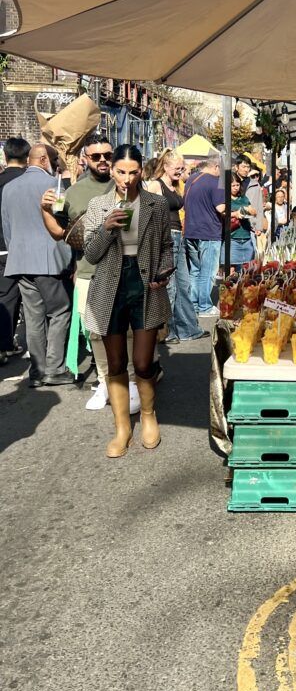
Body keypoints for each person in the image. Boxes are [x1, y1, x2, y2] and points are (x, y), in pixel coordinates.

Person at [40, 133, 142, 413]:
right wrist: (44, 210)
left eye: (107, 155)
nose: (102, 161)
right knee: (95, 331)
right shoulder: (72, 192)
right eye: (95, 156)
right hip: (89, 270)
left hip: (126, 268)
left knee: (129, 330)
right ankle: (106, 382)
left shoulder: (128, 182)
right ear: (85, 158)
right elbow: (60, 234)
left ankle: (131, 382)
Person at [83, 145, 173, 458]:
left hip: (146, 284)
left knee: (144, 362)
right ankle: (122, 427)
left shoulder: (157, 204)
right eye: (121, 171)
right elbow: (91, 254)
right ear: (113, 171)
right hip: (110, 286)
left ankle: (148, 415)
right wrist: (107, 228)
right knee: (117, 362)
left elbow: (166, 246)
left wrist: (165, 270)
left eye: (133, 172)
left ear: (141, 171)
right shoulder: (98, 204)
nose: (127, 178)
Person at [2, 143, 74, 387]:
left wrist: (18, 254)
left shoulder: (9, 188)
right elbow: (61, 224)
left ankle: (37, 370)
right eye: (54, 160)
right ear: (43, 160)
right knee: (60, 311)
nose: (55, 164)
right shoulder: (53, 185)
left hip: (20, 260)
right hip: (48, 260)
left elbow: (7, 228)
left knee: (33, 318)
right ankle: (54, 368)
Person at [145, 149, 207, 345]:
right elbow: (145, 211)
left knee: (183, 284)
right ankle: (167, 331)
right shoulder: (156, 185)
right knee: (170, 286)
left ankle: (188, 328)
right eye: (177, 168)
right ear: (165, 166)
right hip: (165, 237)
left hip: (177, 236)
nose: (181, 172)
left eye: (182, 168)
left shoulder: (175, 186)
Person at [183, 150, 225, 316]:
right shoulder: (216, 181)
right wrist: (238, 211)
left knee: (195, 270)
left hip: (190, 231)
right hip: (209, 232)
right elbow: (221, 208)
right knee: (208, 271)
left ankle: (193, 304)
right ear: (216, 166)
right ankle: (205, 306)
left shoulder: (191, 179)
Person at [0, 137, 30, 364]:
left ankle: (5, 343)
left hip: (2, 247)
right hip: (25, 247)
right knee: (31, 301)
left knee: (6, 297)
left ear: (6, 156)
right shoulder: (29, 182)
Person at [225, 175, 256, 271]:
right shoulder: (224, 198)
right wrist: (235, 214)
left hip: (246, 236)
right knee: (231, 268)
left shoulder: (243, 198)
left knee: (247, 267)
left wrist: (246, 209)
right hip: (232, 237)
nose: (235, 188)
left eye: (237, 185)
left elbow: (254, 212)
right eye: (233, 185)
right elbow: (222, 213)